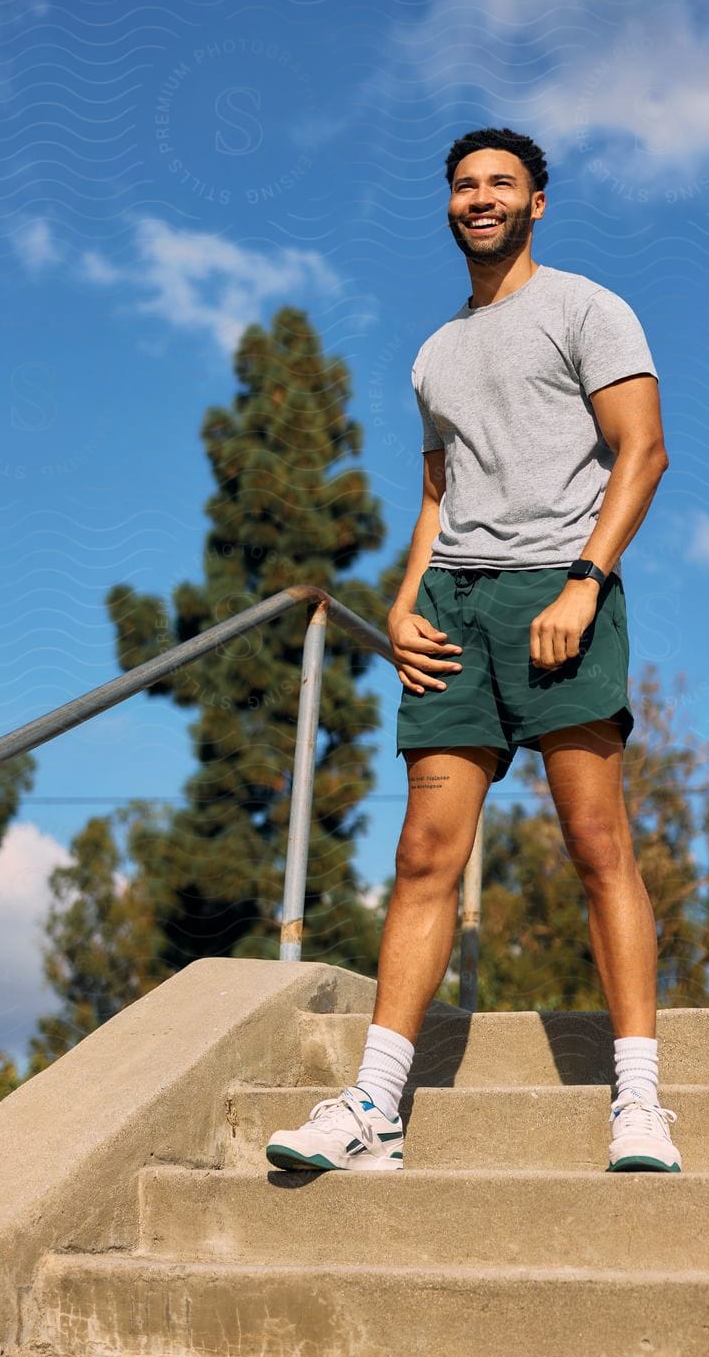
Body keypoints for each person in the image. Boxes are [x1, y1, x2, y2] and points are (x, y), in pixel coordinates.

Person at [266, 127, 681, 1177]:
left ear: (536, 202)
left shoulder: (588, 309)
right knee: (420, 857)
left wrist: (584, 582)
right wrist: (402, 606)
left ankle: (637, 1103)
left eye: (501, 183)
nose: (480, 197)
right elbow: (438, 493)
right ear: (448, 205)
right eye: (464, 185)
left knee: (595, 844)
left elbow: (645, 449)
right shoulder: (434, 352)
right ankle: (374, 1107)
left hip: (560, 593)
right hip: (454, 609)